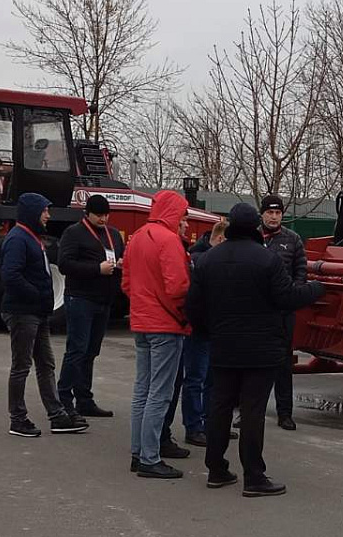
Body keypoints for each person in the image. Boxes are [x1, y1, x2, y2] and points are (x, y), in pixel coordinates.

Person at [186, 202, 324, 497]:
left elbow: (193, 307)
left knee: (220, 406)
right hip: (261, 349)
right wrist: (317, 288)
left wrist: (211, 331)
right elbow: (287, 297)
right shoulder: (267, 260)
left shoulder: (209, 260)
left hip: (222, 346)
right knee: (252, 411)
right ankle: (254, 476)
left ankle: (216, 469)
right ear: (255, 226)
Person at [0, 192, 86, 437]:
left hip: (37, 313)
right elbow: (11, 275)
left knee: (46, 363)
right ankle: (17, 419)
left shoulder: (32, 238)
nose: (48, 215)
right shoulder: (18, 239)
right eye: (44, 211)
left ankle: (57, 415)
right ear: (31, 213)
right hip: (22, 313)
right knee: (22, 365)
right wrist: (37, 295)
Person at [121, 189, 192, 479]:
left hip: (141, 322)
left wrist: (144, 302)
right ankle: (150, 457)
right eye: (183, 215)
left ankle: (139, 453)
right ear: (174, 213)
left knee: (142, 390)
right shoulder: (169, 241)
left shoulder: (136, 237)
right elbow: (178, 287)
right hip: (166, 324)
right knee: (159, 394)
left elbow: (126, 283)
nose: (184, 221)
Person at [55, 193, 123, 420]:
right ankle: (64, 399)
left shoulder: (112, 235)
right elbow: (65, 264)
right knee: (77, 350)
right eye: (99, 215)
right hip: (81, 299)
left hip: (103, 300)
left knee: (91, 351)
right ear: (88, 214)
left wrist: (120, 264)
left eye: (106, 215)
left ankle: (84, 398)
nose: (103, 219)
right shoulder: (74, 233)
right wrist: (97, 268)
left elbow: (118, 256)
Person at [258, 194, 308, 430]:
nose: (274, 217)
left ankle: (285, 413)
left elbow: (301, 271)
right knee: (253, 364)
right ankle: (247, 410)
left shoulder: (293, 239)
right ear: (262, 214)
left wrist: (292, 294)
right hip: (256, 312)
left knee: (283, 364)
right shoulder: (253, 238)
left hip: (283, 313)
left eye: (278, 213)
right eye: (270, 213)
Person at [180, 219, 231, 447]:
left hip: (214, 329)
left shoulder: (205, 257)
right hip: (200, 329)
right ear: (220, 240)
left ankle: (211, 423)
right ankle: (194, 426)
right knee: (195, 378)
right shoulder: (199, 259)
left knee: (212, 379)